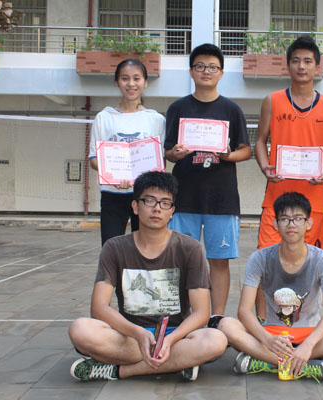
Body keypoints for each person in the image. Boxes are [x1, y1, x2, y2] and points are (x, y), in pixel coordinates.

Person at [68, 171, 227, 382]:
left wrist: (170, 340)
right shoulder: (114, 247)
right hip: (130, 336)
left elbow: (201, 312)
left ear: (172, 211)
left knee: (215, 341)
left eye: (165, 203)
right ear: (135, 206)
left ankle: (119, 370)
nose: (157, 208)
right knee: (80, 330)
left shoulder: (190, 248)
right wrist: (137, 333)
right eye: (149, 200)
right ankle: (178, 363)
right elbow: (99, 308)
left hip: (175, 335)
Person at [217, 192, 323, 382]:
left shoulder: (322, 259)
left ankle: (269, 362)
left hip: (309, 332)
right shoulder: (260, 258)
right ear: (275, 224)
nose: (291, 224)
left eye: (298, 218)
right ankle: (304, 366)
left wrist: (308, 345)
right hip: (273, 334)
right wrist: (267, 339)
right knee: (226, 325)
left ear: (309, 223)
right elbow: (244, 311)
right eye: (284, 219)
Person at [164, 44, 251, 328]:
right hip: (184, 198)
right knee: (181, 260)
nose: (206, 71)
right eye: (200, 66)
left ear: (221, 73)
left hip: (221, 199)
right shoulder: (178, 108)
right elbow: (168, 152)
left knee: (219, 261)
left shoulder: (231, 109)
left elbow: (245, 151)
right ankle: (183, 314)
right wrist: (175, 154)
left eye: (212, 67)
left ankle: (217, 316)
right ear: (191, 71)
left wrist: (227, 155)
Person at [255, 35, 323, 253]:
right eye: (296, 61)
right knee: (267, 260)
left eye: (308, 61)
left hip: (315, 199)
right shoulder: (272, 100)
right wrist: (265, 167)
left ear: (317, 67)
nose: (301, 66)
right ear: (288, 65)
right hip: (276, 196)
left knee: (311, 263)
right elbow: (260, 141)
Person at [88, 58, 166, 246]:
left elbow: (159, 162)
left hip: (146, 195)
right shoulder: (104, 118)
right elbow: (94, 159)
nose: (131, 84)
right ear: (117, 82)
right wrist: (115, 176)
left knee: (146, 248)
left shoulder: (156, 119)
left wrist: (138, 180)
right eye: (125, 78)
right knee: (111, 247)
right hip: (112, 194)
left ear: (145, 82)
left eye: (136, 78)